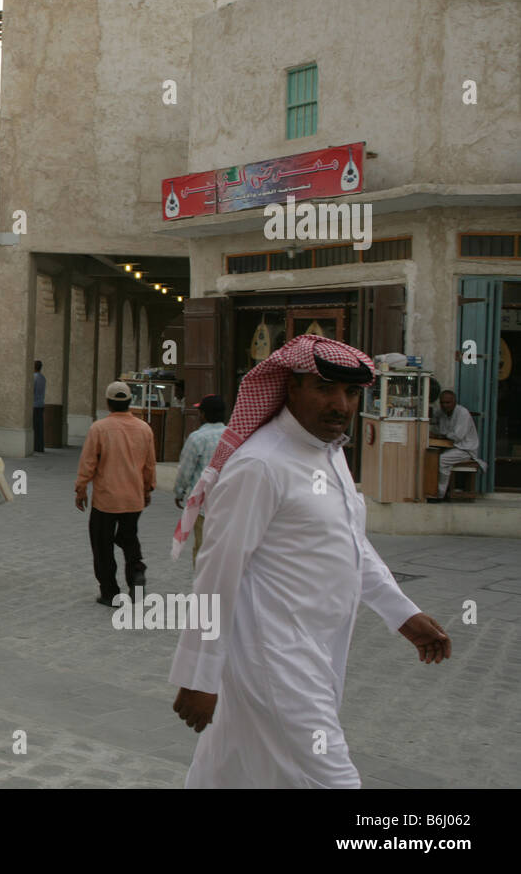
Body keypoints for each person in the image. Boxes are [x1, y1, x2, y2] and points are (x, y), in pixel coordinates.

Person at [168, 335, 451, 788]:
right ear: (291, 387)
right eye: (325, 389)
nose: (340, 404)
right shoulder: (261, 465)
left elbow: (351, 545)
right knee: (332, 780)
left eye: (351, 393)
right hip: (275, 660)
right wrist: (200, 674)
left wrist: (403, 613)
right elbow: (216, 573)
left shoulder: (329, 452)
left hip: (316, 650)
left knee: (226, 774)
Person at [75, 380, 156, 605]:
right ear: (130, 402)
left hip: (106, 500)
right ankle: (137, 574)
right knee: (129, 538)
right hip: (133, 498)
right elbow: (150, 465)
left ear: (108, 403)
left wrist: (81, 489)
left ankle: (110, 592)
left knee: (102, 545)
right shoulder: (144, 428)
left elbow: (88, 463)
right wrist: (148, 489)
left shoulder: (99, 428)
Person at [173, 394, 227, 565]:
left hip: (204, 504)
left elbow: (185, 470)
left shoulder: (197, 438)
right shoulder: (233, 437)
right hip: (229, 502)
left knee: (203, 547)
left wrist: (179, 492)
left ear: (203, 414)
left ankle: (205, 587)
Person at [429, 389, 486, 501]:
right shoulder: (441, 412)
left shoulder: (462, 413)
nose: (445, 405)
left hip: (465, 449)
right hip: (450, 446)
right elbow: (433, 421)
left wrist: (441, 435)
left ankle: (439, 494)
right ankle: (433, 490)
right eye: (442, 403)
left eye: (448, 402)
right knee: (430, 456)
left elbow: (457, 436)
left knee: (442, 460)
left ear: (454, 402)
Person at [32, 360, 47, 453]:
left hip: (34, 404)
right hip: (40, 403)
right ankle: (40, 446)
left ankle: (35, 446)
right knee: (39, 427)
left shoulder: (34, 377)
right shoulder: (43, 377)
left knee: (34, 427)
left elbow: (32, 390)